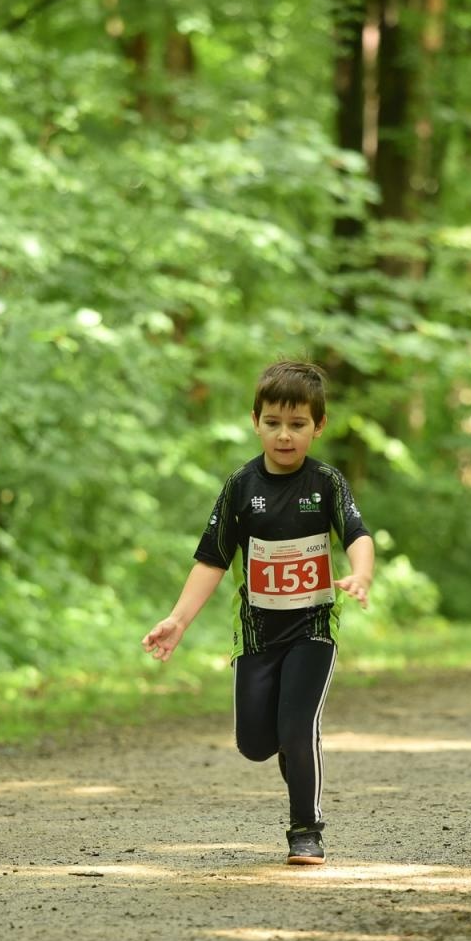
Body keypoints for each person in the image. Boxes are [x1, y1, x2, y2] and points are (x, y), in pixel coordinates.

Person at [143, 361, 374, 866]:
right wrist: (178, 620)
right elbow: (212, 559)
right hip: (256, 633)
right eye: (273, 423)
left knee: (298, 725)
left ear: (319, 426)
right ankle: (293, 751)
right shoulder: (241, 487)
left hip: (312, 628)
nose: (285, 435)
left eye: (297, 425)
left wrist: (360, 573)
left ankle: (306, 830)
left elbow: (358, 535)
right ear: (256, 422)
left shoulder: (327, 483)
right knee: (254, 742)